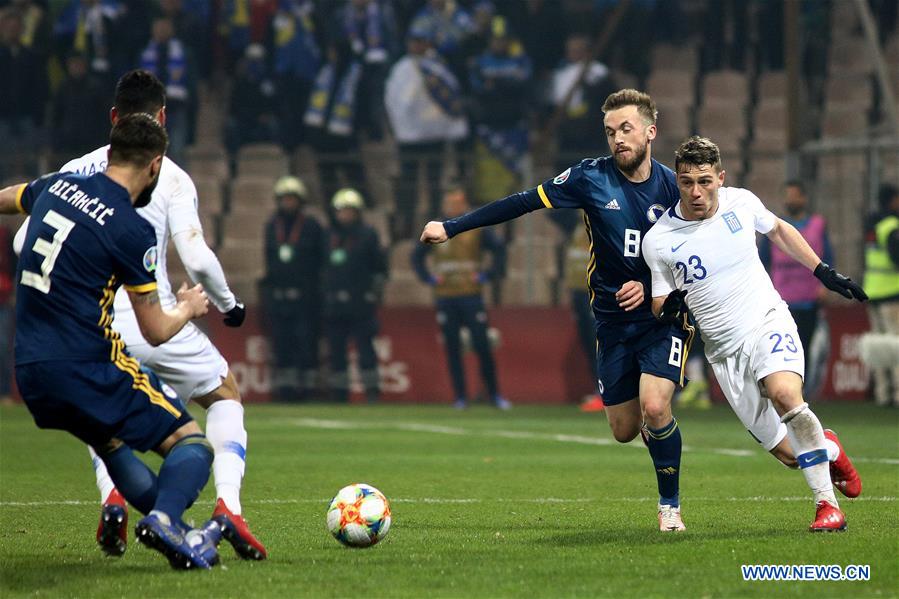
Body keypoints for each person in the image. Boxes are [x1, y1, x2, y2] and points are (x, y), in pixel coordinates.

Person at [13, 70, 265, 560]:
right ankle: (227, 507)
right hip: (154, 315)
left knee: (101, 420)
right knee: (222, 395)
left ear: (113, 119)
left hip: (82, 331)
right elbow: (196, 257)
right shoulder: (168, 174)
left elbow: (25, 240)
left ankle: (113, 498)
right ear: (163, 120)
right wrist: (228, 305)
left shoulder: (73, 172)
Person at [422, 89, 691, 531]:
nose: (617, 139)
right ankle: (656, 437)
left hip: (663, 317)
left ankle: (669, 507)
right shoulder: (590, 177)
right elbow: (523, 201)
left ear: (650, 131)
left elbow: (696, 256)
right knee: (625, 429)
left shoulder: (674, 186)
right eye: (610, 132)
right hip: (611, 321)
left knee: (656, 406)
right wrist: (453, 226)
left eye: (626, 129)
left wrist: (649, 287)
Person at [641, 136, 865, 531]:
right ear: (676, 180)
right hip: (724, 356)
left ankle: (826, 507)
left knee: (785, 394)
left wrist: (822, 271)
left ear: (721, 178)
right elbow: (659, 300)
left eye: (705, 181)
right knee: (792, 454)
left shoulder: (741, 203)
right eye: (687, 181)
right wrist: (669, 307)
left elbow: (778, 229)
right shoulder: (659, 240)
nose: (696, 192)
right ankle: (828, 446)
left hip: (766, 321)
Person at [411, 185, 509, 409]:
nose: (452, 206)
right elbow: (416, 256)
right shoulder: (436, 228)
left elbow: (499, 251)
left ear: (464, 203)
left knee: (482, 346)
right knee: (453, 348)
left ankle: (493, 394)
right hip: (446, 296)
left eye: (456, 202)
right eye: (449, 202)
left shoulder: (476, 227)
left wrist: (487, 275)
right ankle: (461, 396)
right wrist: (428, 278)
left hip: (471, 295)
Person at [384, 23, 468, 238]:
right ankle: (407, 223)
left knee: (434, 182)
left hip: (434, 136)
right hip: (409, 138)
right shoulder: (401, 68)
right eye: (414, 41)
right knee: (408, 182)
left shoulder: (437, 66)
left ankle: (433, 222)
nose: (417, 45)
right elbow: (394, 100)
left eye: (421, 41)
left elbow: (451, 96)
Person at [758, 180, 835, 385]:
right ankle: (782, 384)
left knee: (806, 344)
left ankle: (802, 387)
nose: (790, 200)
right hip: (781, 297)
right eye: (787, 196)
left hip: (809, 296)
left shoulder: (818, 225)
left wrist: (823, 286)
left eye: (794, 195)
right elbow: (762, 260)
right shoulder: (773, 226)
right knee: (781, 345)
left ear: (803, 198)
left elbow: (827, 256)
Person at [261, 175, 325, 402]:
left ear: (300, 200)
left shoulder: (311, 226)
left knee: (306, 345)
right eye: (284, 199)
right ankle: (285, 392)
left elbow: (321, 261)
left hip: (305, 298)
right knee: (282, 346)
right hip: (279, 298)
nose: (288, 203)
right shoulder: (271, 226)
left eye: (292, 199)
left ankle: (307, 391)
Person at [322, 188, 387, 403]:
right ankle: (340, 394)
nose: (345, 215)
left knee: (365, 348)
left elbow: (380, 268)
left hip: (361, 302)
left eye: (349, 211)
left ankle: (372, 392)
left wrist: (373, 294)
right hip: (334, 303)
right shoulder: (329, 235)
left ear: (358, 212)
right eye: (341, 211)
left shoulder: (368, 235)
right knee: (337, 351)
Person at [861, 183, 899, 407]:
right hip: (891, 291)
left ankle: (882, 393)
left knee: (878, 345)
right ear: (892, 200)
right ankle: (897, 393)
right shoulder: (891, 226)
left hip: (872, 290)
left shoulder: (871, 224)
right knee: (895, 344)